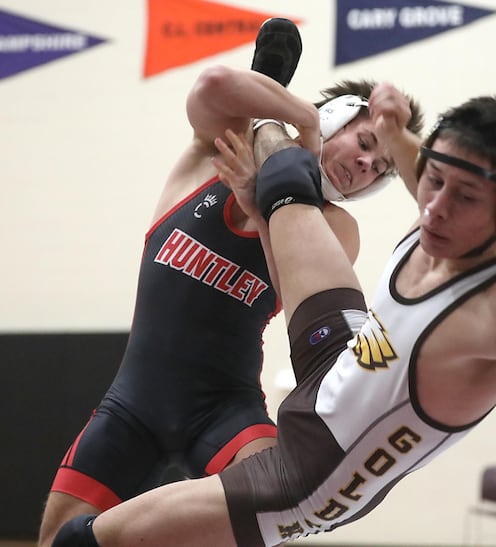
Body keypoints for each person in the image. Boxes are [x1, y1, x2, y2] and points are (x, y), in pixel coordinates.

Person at [51, 90, 496, 547]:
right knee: (282, 174)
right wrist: (390, 116)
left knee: (89, 539)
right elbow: (399, 139)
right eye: (431, 184)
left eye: (463, 200)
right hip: (339, 354)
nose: (432, 210)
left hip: (304, 473)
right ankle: (272, 140)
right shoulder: (429, 179)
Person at [37, 18, 423, 547]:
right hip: (133, 404)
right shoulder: (212, 153)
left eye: (382, 167)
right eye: (364, 144)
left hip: (225, 410)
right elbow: (214, 85)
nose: (366, 165)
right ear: (334, 119)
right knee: (57, 540)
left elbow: (296, 302)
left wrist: (262, 206)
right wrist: (305, 125)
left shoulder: (333, 228)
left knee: (279, 505)